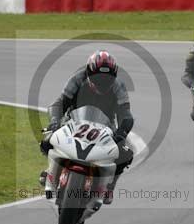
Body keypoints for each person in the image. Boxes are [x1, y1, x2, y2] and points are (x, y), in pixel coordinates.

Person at [39, 50, 134, 205]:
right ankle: (50, 172)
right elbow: (59, 103)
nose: (102, 81)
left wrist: (121, 132)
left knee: (126, 153)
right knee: (48, 139)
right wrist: (55, 121)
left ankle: (109, 186)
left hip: (106, 127)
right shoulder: (77, 79)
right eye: (98, 77)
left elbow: (126, 113)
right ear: (89, 73)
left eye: (107, 78)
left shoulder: (118, 86)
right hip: (74, 122)